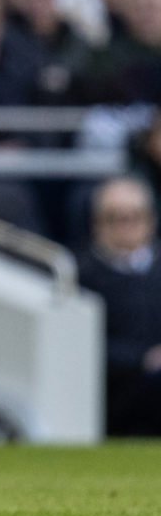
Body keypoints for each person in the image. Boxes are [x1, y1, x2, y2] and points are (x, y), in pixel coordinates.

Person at [78, 177, 161, 435]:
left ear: (151, 220)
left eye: (134, 216)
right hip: (113, 390)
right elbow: (78, 342)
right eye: (115, 218)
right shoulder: (81, 274)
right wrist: (142, 359)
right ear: (97, 223)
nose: (126, 226)